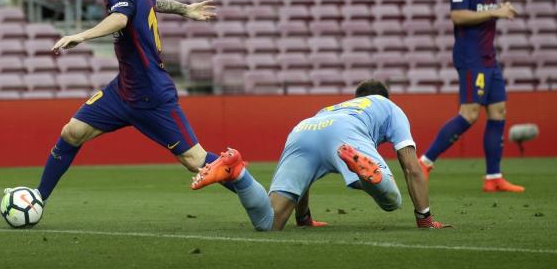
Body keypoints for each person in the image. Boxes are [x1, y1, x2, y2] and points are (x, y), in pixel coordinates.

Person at [31, 0, 273, 230]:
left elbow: (120, 19)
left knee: (195, 160)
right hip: (122, 91)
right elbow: (155, 2)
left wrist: (81, 36)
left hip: (152, 95)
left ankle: (265, 198)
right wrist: (185, 9)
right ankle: (37, 199)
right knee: (72, 132)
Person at [192, 80, 450, 230]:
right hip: (346, 133)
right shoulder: (388, 106)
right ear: (382, 97)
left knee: (269, 222)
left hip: (304, 128)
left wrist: (303, 218)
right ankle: (366, 173)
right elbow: (410, 166)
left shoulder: (333, 107)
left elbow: (303, 182)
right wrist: (425, 218)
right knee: (392, 200)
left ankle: (238, 173)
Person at [418, 0, 524, 193]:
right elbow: (457, 15)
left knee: (498, 111)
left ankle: (493, 177)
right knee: (469, 114)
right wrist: (495, 12)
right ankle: (424, 163)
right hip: (471, 57)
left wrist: (500, 8)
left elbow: (485, 10)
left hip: (489, 57)